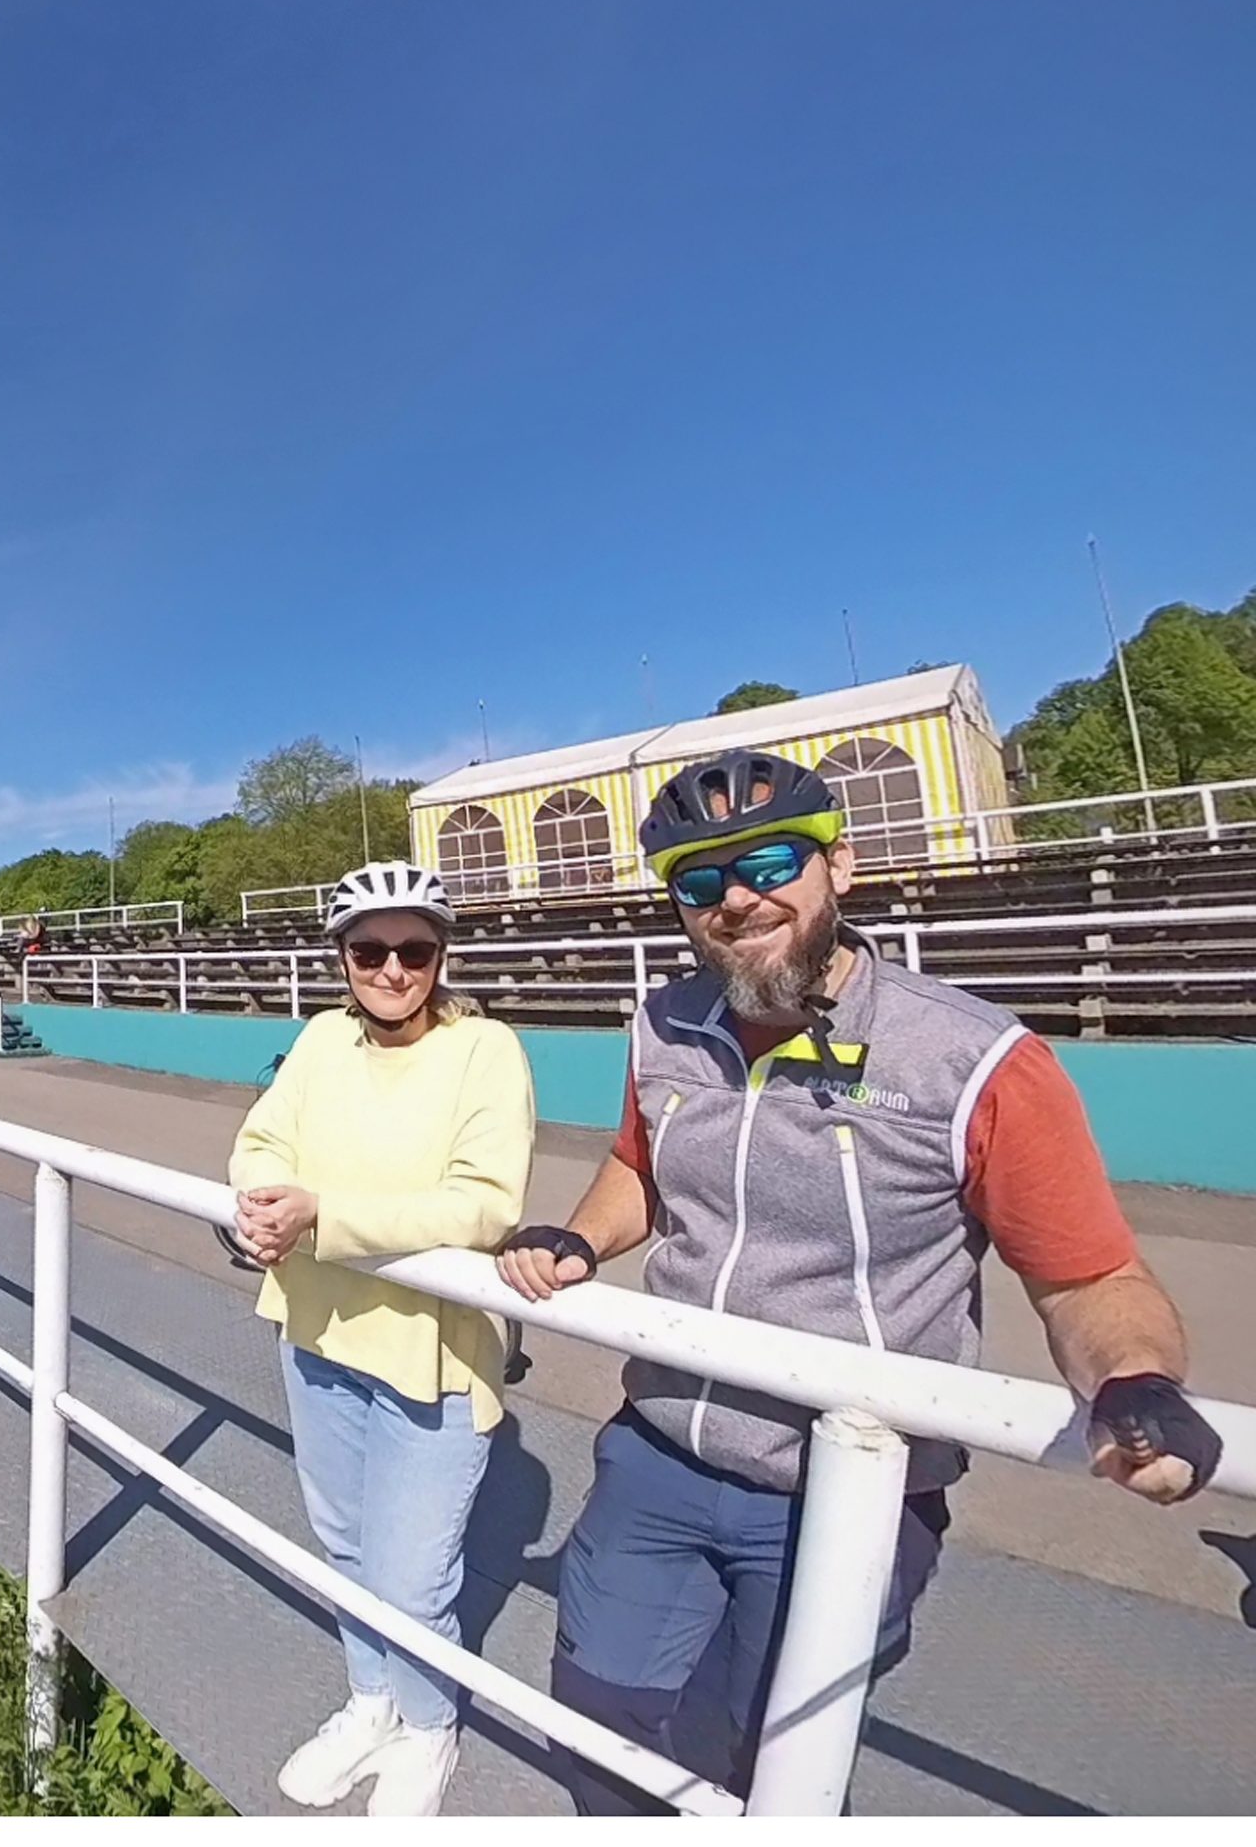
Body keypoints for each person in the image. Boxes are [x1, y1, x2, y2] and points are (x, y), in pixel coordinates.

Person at [495, 748, 1222, 1814]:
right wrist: (580, 1239)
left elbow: (1089, 1277)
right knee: (595, 1726)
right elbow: (641, 1166)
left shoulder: (971, 1059)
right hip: (660, 1452)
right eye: (699, 881)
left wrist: (1134, 1384)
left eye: (770, 862)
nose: (736, 900)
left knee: (767, 1766)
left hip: (850, 1484)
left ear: (841, 867)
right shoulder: (662, 1025)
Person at [230, 861, 537, 1816]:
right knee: (346, 1543)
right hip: (318, 1329)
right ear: (342, 959)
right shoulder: (322, 1039)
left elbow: (485, 1205)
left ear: (441, 957)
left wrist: (320, 1217)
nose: (393, 969)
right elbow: (259, 1144)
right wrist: (265, 1204)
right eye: (370, 950)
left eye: (414, 949)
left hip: (430, 1353)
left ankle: (427, 1724)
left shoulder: (486, 1050)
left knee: (414, 1571)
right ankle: (371, 1703)